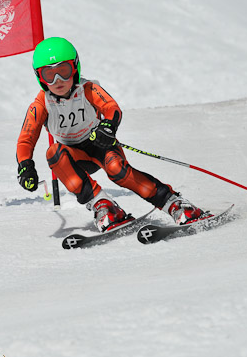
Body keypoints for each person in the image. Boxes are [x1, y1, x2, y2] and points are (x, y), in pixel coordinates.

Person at [16, 37, 205, 232]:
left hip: (99, 143)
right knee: (53, 153)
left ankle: (173, 203)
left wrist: (107, 127)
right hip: (74, 156)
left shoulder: (87, 89)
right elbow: (26, 139)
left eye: (63, 71)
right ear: (40, 77)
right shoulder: (41, 105)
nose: (58, 81)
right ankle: (104, 206)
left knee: (117, 170)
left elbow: (111, 107)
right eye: (49, 74)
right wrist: (25, 166)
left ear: (75, 68)